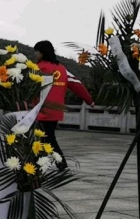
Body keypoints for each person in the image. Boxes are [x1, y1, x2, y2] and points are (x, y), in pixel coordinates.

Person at [33, 41, 94, 170]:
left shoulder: (37, 68)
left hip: (41, 110)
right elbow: (76, 84)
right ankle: (40, 163)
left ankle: (60, 163)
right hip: (56, 110)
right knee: (45, 138)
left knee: (47, 138)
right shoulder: (62, 68)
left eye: (37, 51)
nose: (35, 54)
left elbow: (29, 88)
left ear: (43, 52)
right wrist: (89, 100)